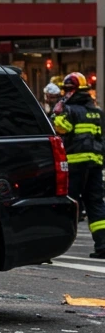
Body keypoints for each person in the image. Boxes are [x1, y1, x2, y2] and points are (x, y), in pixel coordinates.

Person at [53, 72, 105, 259]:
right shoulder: (97, 112)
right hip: (95, 166)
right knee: (96, 203)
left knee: (67, 204)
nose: (66, 93)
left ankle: (52, 247)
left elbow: (60, 128)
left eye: (68, 90)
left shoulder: (69, 109)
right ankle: (103, 245)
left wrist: (57, 112)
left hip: (74, 166)